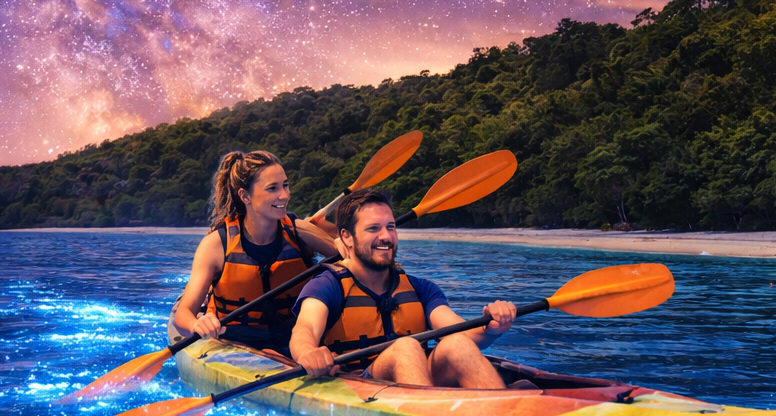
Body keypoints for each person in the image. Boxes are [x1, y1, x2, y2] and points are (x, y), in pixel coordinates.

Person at [289, 188, 517, 388]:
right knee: (406, 347)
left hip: (415, 379)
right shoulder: (327, 285)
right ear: (347, 237)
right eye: (373, 229)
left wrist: (493, 327)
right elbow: (304, 329)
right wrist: (308, 352)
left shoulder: (420, 288)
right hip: (357, 382)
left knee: (457, 344)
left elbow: (460, 331)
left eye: (391, 227)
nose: (386, 237)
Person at [172, 150, 340, 354]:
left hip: (296, 340)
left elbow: (351, 259)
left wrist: (339, 236)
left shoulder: (300, 231)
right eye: (272, 188)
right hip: (236, 343)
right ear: (245, 196)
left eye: (285, 185)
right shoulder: (216, 245)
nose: (284, 195)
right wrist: (197, 325)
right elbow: (183, 314)